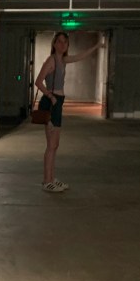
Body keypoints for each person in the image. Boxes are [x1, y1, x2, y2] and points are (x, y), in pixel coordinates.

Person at [34, 31, 101, 193]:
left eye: (65, 42)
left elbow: (79, 56)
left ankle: (51, 178)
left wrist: (96, 47)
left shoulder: (62, 60)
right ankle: (47, 181)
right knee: (51, 145)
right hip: (51, 103)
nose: (62, 44)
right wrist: (51, 96)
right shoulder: (51, 60)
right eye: (59, 41)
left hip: (58, 102)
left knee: (54, 145)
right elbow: (38, 81)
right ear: (54, 44)